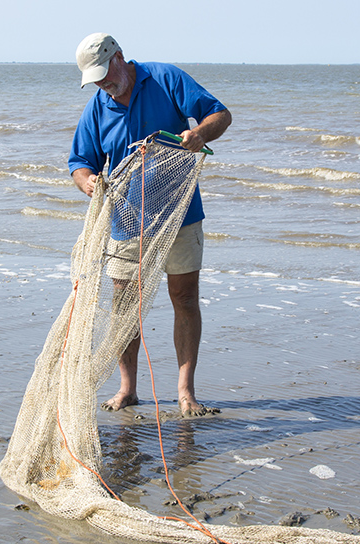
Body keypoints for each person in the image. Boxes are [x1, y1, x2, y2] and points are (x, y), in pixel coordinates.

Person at [68, 33, 232, 416]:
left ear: (120, 57)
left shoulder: (165, 79)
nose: (102, 83)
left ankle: (185, 392)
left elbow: (220, 114)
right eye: (93, 79)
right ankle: (127, 389)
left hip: (180, 214)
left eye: (104, 73)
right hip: (127, 221)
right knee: (125, 308)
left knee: (185, 299)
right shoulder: (98, 108)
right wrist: (87, 180)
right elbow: (79, 161)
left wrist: (199, 133)